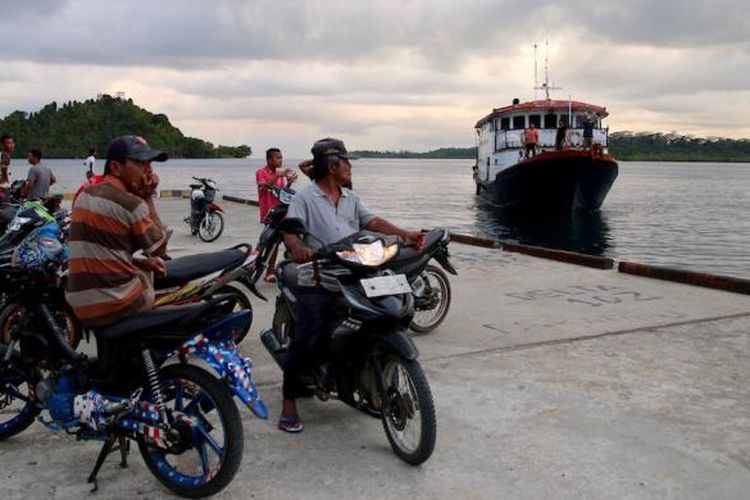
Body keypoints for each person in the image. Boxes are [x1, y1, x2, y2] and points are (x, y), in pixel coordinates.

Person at [278, 137, 425, 433]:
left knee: (383, 314)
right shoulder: (305, 198)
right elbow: (290, 231)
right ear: (332, 166)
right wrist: (296, 247)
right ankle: (288, 404)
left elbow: (372, 222)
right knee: (306, 339)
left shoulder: (350, 198)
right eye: (346, 162)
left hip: (356, 275)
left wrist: (405, 234)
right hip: (319, 280)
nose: (349, 168)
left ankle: (367, 383)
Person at [66, 135, 169, 328]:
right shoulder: (131, 204)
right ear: (115, 168)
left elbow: (103, 254)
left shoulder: (84, 195)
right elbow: (160, 248)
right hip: (114, 305)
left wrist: (139, 261)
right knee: (162, 288)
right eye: (140, 163)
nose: (149, 170)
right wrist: (147, 197)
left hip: (79, 304)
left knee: (141, 266)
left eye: (149, 163)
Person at [256, 147, 297, 282]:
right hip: (270, 212)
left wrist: (289, 183)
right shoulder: (261, 172)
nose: (280, 160)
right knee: (272, 243)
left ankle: (292, 268)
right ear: (269, 159)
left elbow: (283, 193)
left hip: (282, 212)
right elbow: (265, 186)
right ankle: (269, 271)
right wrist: (278, 175)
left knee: (289, 240)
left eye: (281, 158)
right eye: (278, 158)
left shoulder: (280, 175)